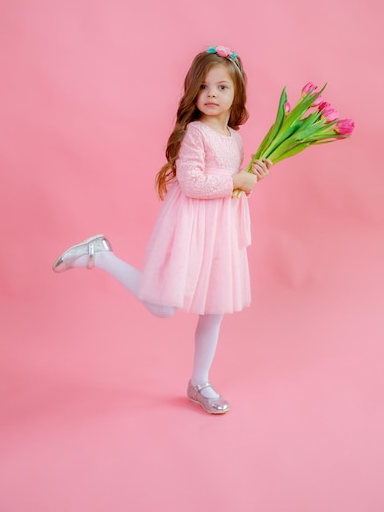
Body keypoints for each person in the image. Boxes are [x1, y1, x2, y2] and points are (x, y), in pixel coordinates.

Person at [52, 45, 272, 415]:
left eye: (221, 87)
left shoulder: (235, 137)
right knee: (164, 306)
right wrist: (236, 178)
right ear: (192, 92)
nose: (211, 95)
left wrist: (252, 176)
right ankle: (100, 255)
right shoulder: (196, 134)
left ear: (237, 94)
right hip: (191, 228)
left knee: (215, 306)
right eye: (203, 87)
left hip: (220, 230)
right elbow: (191, 182)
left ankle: (199, 382)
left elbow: (232, 184)